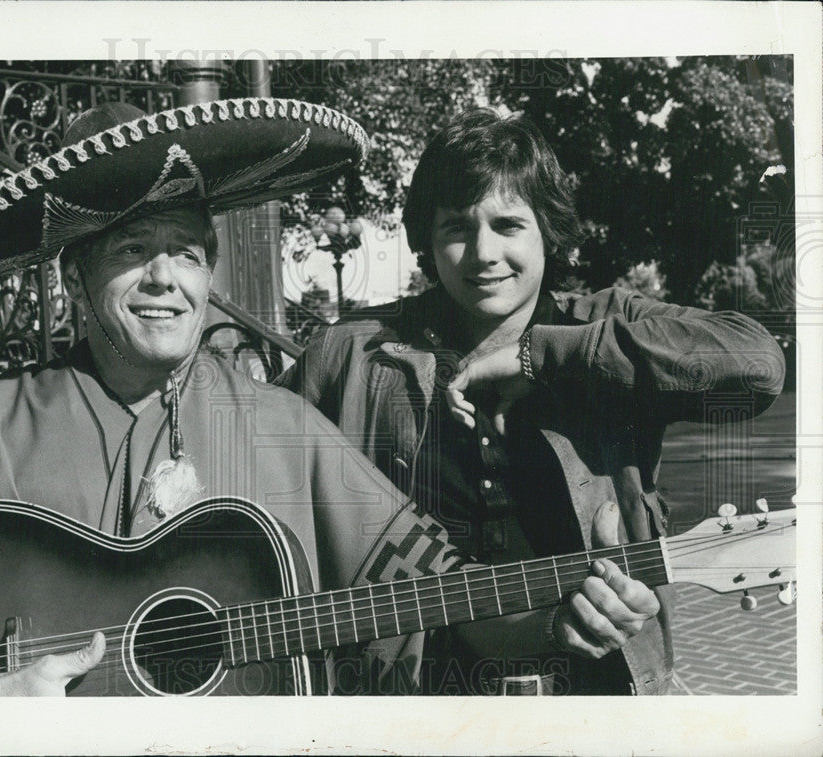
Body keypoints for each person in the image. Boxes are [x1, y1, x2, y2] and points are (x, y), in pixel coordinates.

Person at [0, 99, 464, 696]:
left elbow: (447, 594)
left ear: (209, 275)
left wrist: (551, 611)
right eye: (131, 250)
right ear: (74, 276)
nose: (163, 277)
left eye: (186, 253)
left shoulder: (286, 429)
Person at [276, 108, 785, 695]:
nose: (483, 252)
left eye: (508, 224)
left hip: (603, 688)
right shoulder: (354, 352)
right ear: (426, 238)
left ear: (548, 229)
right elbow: (257, 487)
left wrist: (540, 357)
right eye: (457, 227)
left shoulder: (605, 325)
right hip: (415, 696)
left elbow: (758, 366)